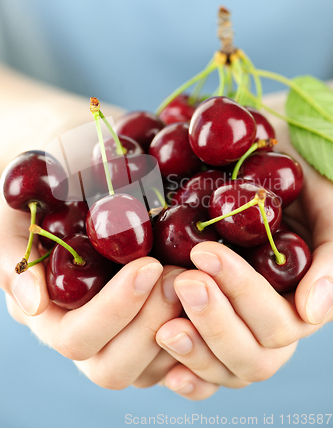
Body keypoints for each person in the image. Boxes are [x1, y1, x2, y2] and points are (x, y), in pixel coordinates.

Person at [0, 65, 332, 403]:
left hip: (309, 384)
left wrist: (307, 141)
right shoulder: (90, 203)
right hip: (36, 387)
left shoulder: (221, 190)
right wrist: (41, 127)